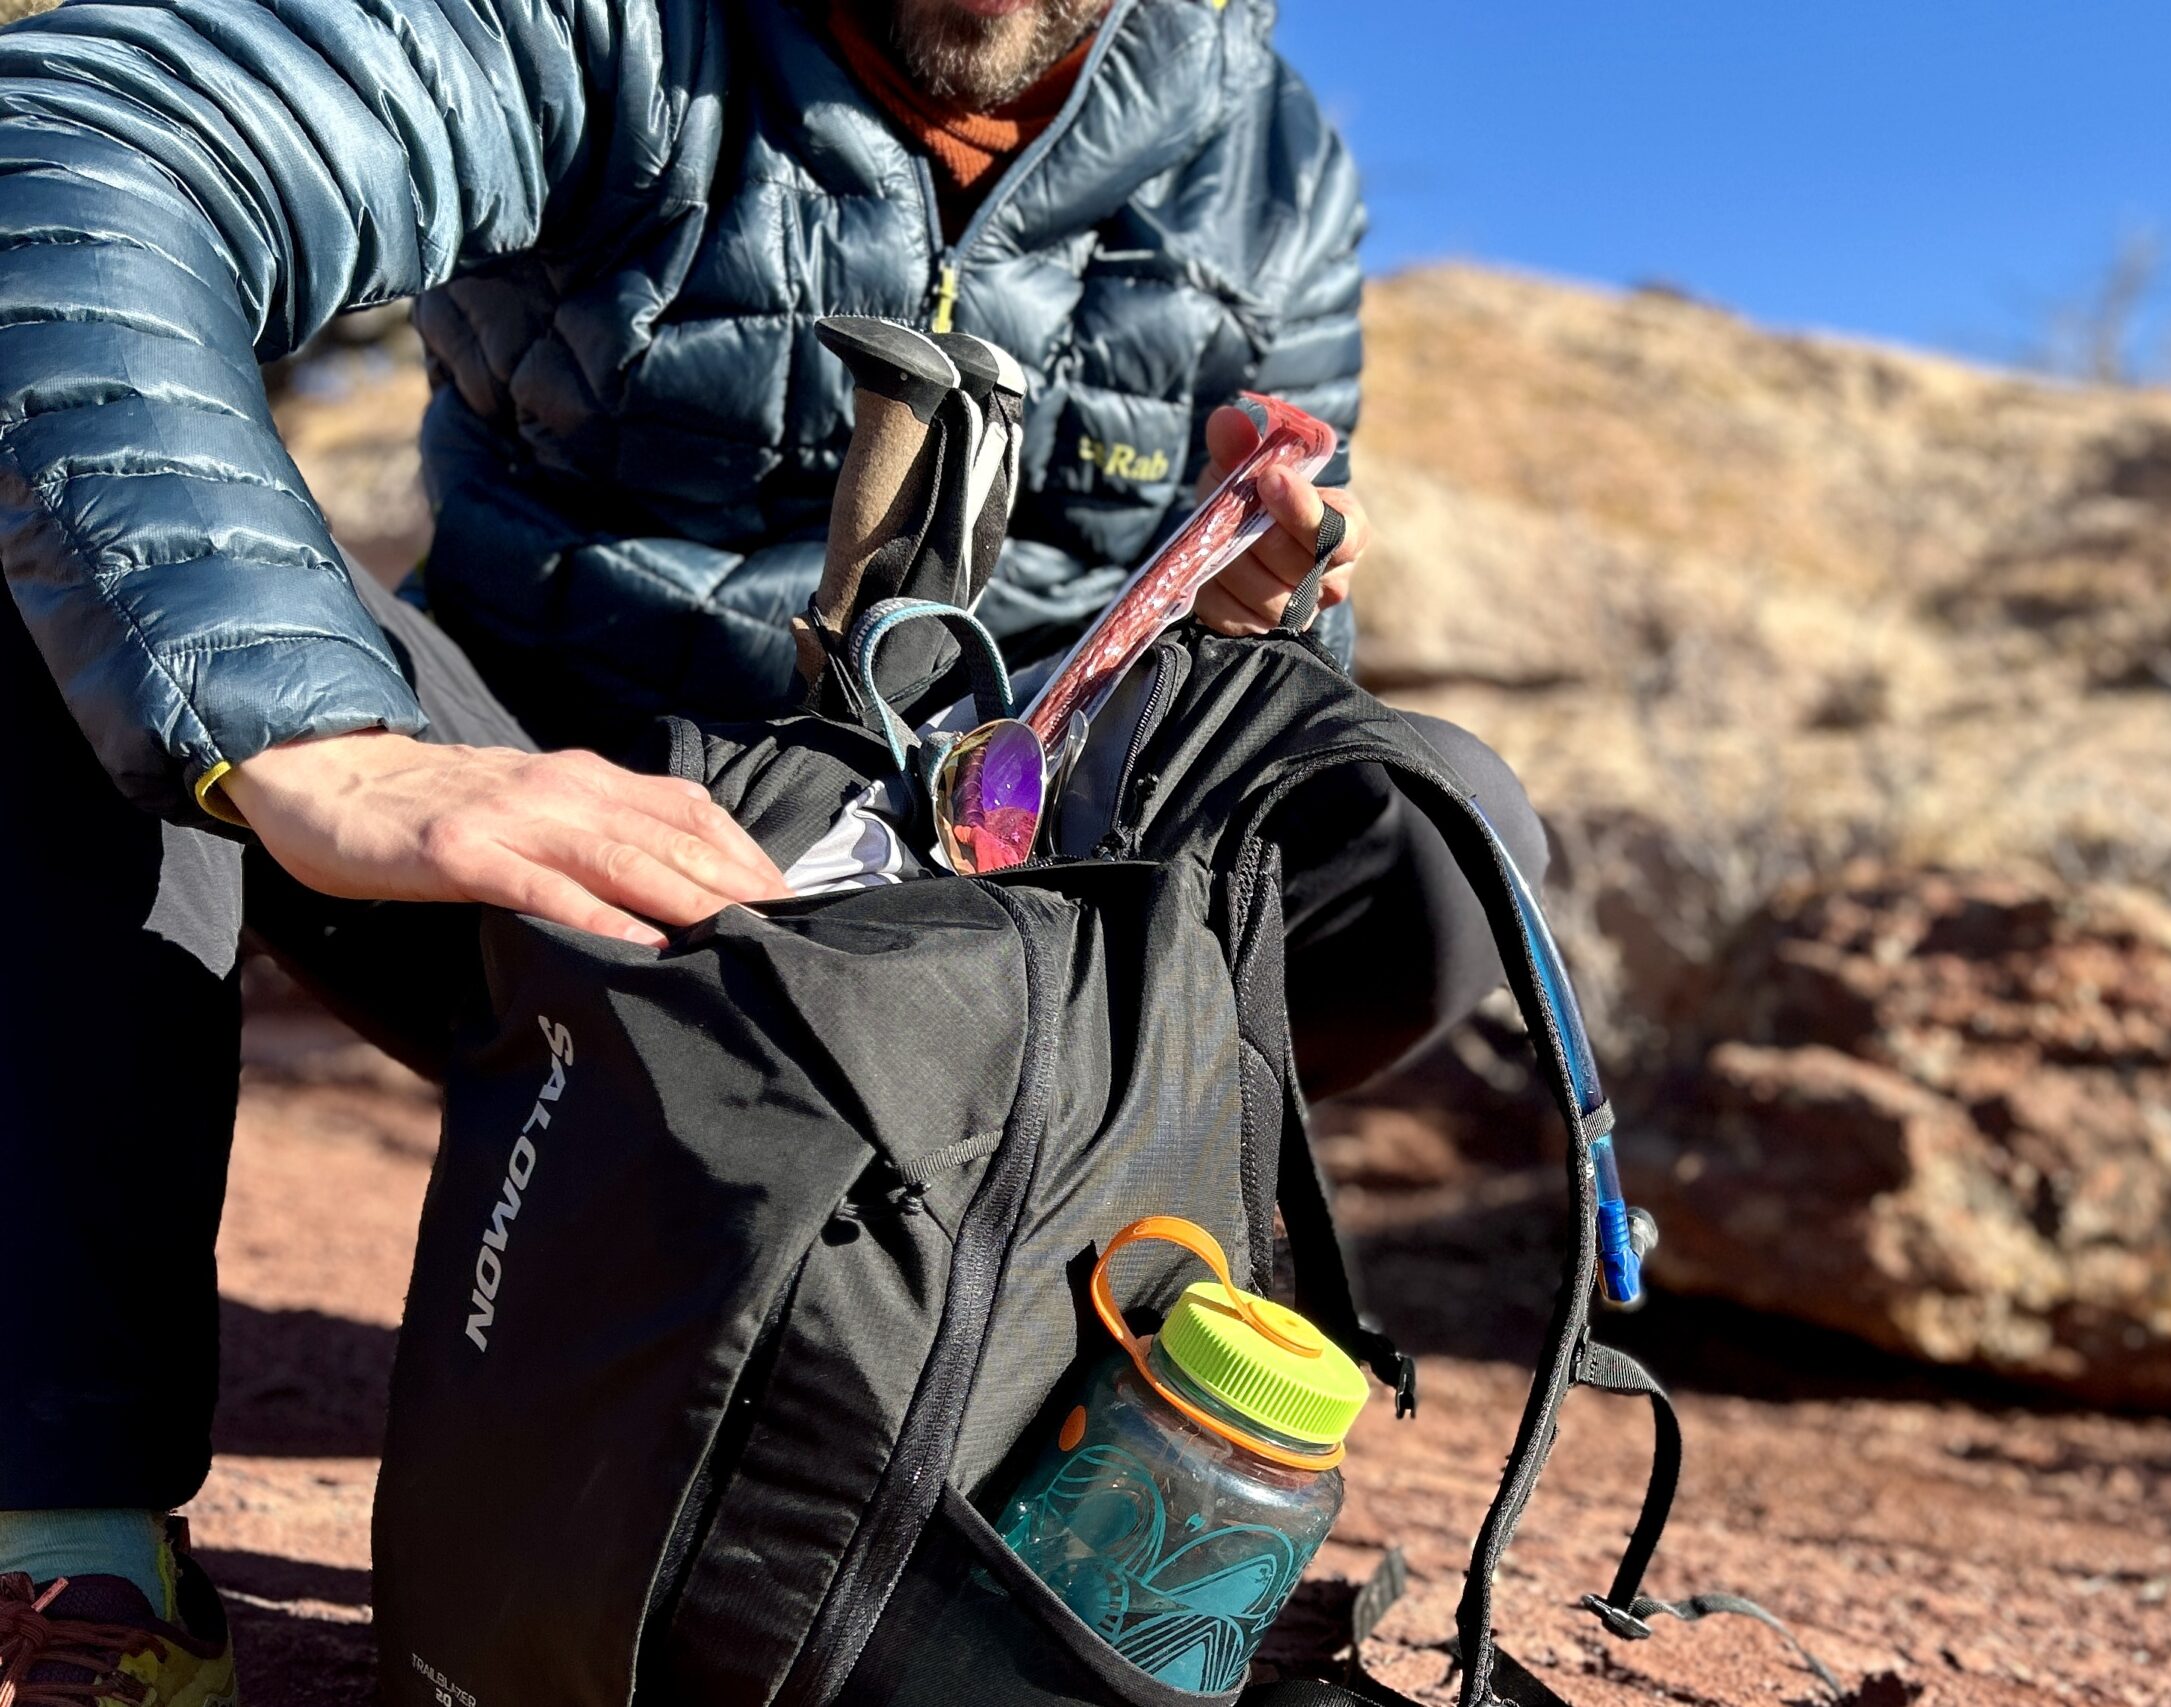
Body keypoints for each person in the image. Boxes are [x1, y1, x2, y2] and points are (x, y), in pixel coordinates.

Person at [0, 0, 1544, 1692]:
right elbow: (77, 138)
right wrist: (310, 728)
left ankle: (990, 1414)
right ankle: (66, 1537)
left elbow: (1256, 698)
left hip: (970, 975)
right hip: (537, 881)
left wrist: (1237, 619)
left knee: (1425, 831)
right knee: (81, 586)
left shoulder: (1268, 158)